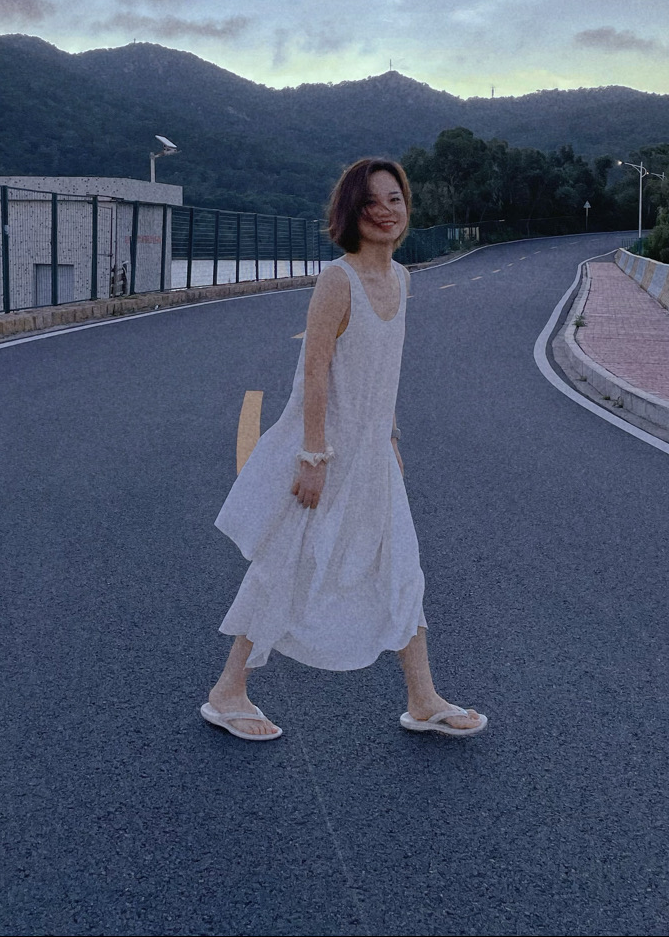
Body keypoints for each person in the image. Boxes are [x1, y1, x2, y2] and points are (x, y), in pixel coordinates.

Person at [199, 158, 486, 741]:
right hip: (328, 456)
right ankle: (228, 692)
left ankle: (423, 698)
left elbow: (385, 373)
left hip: (373, 456)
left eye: (394, 199)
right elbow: (315, 370)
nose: (385, 211)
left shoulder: (403, 279)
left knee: (401, 566)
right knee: (287, 564)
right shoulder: (338, 279)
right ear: (350, 213)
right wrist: (312, 457)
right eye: (371, 202)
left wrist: (391, 438)